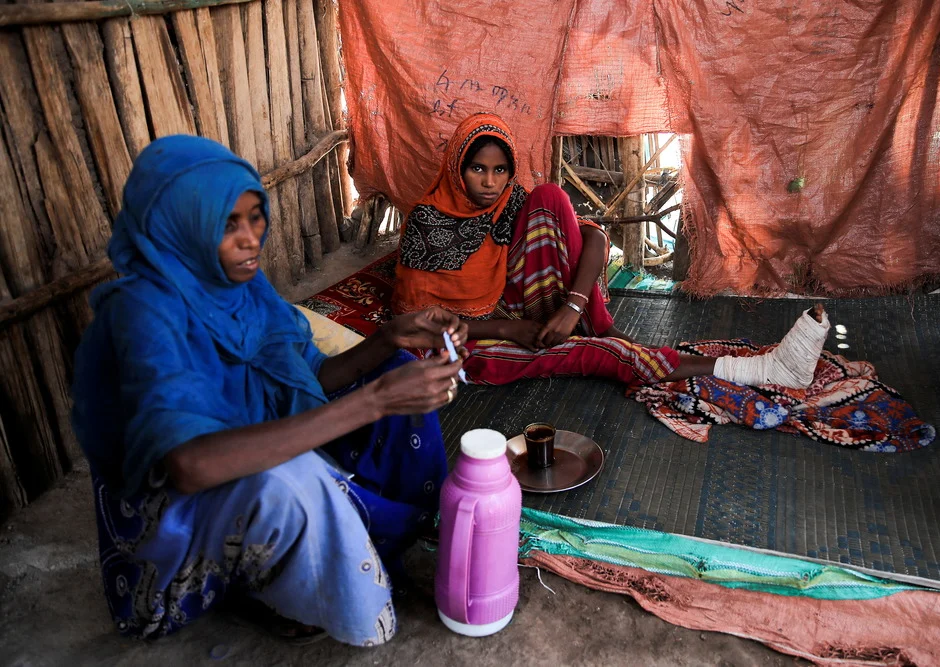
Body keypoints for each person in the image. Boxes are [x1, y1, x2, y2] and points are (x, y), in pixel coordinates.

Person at [71, 135, 467, 647]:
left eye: (254, 218)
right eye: (226, 225)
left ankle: (379, 526)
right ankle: (289, 587)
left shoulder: (239, 289)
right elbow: (191, 467)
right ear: (177, 227)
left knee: (391, 365)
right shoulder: (143, 318)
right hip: (177, 535)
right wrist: (376, 400)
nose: (250, 239)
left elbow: (307, 378)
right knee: (292, 478)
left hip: (251, 455)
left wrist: (390, 336)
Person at [392, 112, 831, 389]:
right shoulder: (428, 225)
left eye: (500, 170)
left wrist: (571, 306)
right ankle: (757, 370)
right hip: (467, 344)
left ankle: (585, 326)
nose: (490, 181)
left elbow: (597, 239)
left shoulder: (512, 204)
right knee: (595, 356)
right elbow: (412, 326)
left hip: (522, 311)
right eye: (477, 169)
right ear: (457, 168)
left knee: (551, 196)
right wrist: (513, 331)